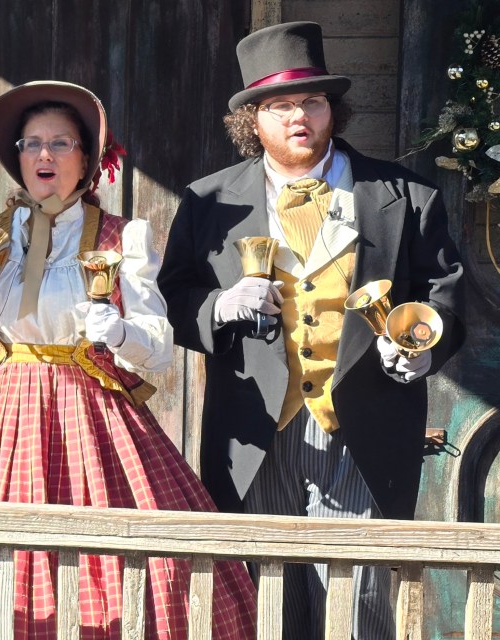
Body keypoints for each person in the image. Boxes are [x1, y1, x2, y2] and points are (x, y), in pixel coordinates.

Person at [0, 80, 256, 639]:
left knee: (120, 571)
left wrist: (120, 330)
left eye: (60, 143)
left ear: (88, 159)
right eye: (32, 144)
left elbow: (157, 349)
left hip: (89, 421)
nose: (44, 155)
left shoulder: (122, 237)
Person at [157, 22, 465, 639]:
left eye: (312, 101)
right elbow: (172, 300)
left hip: (366, 428)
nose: (300, 116)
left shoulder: (406, 196)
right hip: (252, 434)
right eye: (280, 106)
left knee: (359, 610)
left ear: (333, 109)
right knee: (260, 609)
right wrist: (218, 306)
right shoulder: (208, 200)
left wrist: (421, 348)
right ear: (253, 120)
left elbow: (445, 296)